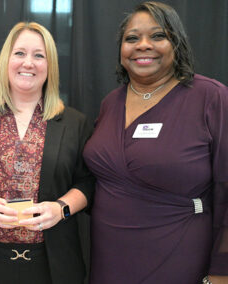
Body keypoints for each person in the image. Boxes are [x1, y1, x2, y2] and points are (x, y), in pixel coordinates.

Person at [83, 2, 228, 284]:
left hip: (178, 255)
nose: (143, 45)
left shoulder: (211, 97)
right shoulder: (111, 103)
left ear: (177, 43)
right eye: (132, 38)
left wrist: (223, 271)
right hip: (108, 258)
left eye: (158, 36)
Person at [0, 22, 95, 284]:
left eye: (39, 55)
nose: (29, 63)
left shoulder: (75, 123)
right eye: (20, 53)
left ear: (50, 67)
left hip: (54, 264)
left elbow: (88, 182)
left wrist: (61, 209)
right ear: (6, 60)